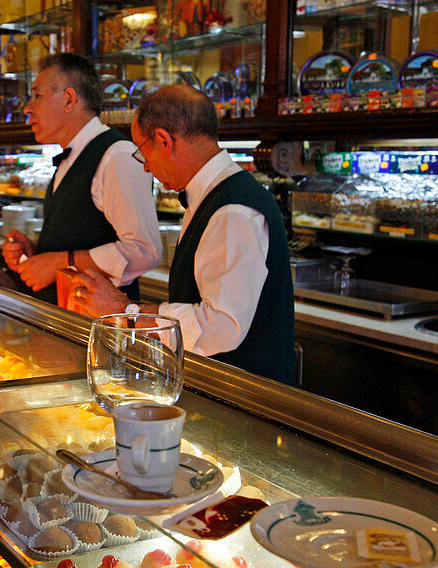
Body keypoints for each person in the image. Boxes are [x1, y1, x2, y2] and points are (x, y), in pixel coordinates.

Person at [70, 84, 296, 385]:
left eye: (142, 151)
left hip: (245, 399)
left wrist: (125, 311)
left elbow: (219, 326)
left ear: (164, 140)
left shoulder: (233, 211)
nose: (147, 167)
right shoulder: (215, 196)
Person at [1, 53, 160, 304]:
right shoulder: (71, 155)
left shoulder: (117, 155)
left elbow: (143, 251)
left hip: (98, 329)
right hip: (64, 321)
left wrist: (55, 262)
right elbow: (84, 236)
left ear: (69, 99)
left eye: (37, 95)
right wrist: (38, 252)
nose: (27, 108)